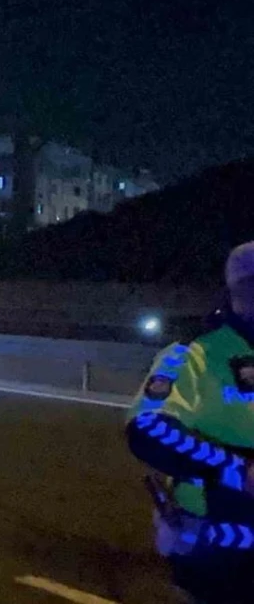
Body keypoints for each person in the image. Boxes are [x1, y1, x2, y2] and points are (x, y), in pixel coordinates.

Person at [126, 241, 254, 603]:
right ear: (236, 291)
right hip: (221, 550)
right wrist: (236, 469)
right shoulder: (192, 353)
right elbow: (147, 428)